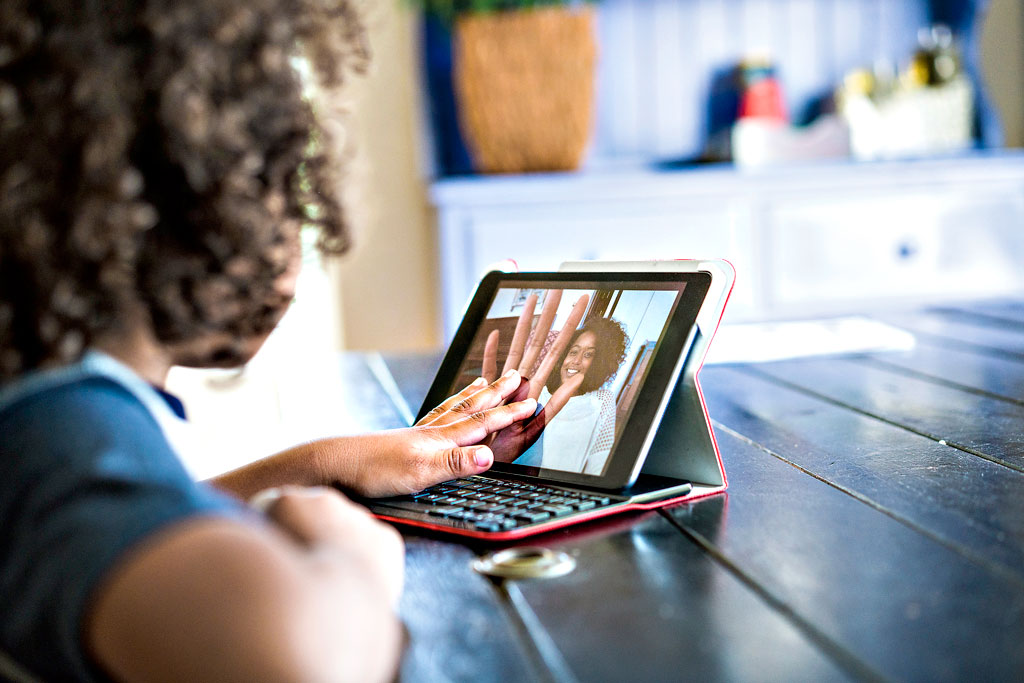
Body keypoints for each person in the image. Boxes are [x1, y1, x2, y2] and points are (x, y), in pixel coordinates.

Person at [0, 1, 544, 680]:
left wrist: (325, 463)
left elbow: (141, 514)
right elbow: (305, 660)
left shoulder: (45, 402)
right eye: (281, 181)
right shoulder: (63, 440)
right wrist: (351, 559)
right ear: (198, 200)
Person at [513, 317, 629, 475]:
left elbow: (598, 463)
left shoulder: (601, 400)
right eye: (573, 352)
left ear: (599, 364)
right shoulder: (537, 393)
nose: (576, 361)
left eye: (588, 355)